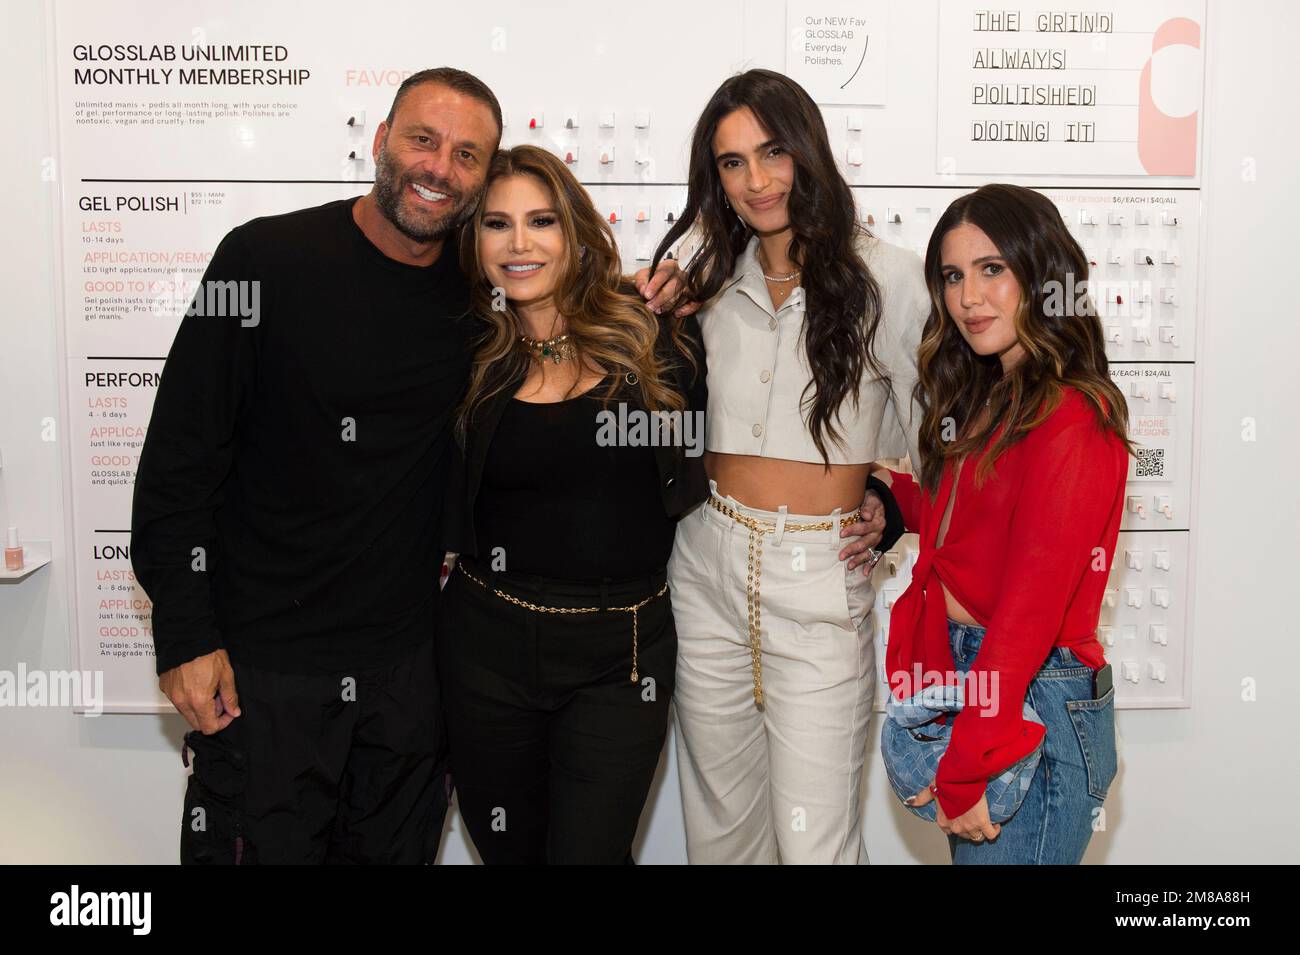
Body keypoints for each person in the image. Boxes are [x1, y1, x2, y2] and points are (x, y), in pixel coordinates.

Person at [132, 67, 504, 864]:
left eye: (468, 155)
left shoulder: (483, 306)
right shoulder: (262, 258)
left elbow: (573, 344)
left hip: (407, 687)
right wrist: (184, 635)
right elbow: (177, 460)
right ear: (380, 142)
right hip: (262, 679)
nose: (440, 167)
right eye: (423, 139)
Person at [648, 69, 925, 864]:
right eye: (732, 162)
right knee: (721, 836)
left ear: (808, 151)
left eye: (773, 152)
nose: (757, 180)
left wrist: (886, 492)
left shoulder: (891, 277)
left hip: (818, 572)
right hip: (703, 563)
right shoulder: (700, 278)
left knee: (817, 846)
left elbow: (935, 443)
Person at [436, 144, 706, 864]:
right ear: (475, 242)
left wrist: (871, 490)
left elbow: (745, 436)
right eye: (497, 224)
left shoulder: (653, 337)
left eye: (541, 221)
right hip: (484, 648)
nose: (519, 243)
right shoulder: (464, 352)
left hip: (622, 655)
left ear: (575, 232)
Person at [874, 182, 1132, 864]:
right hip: (991, 688)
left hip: (1026, 693)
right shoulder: (993, 395)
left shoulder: (1074, 417)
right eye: (953, 276)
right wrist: (895, 498)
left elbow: (1029, 608)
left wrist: (967, 764)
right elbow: (979, 522)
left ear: (1041, 274)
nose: (968, 297)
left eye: (992, 269)